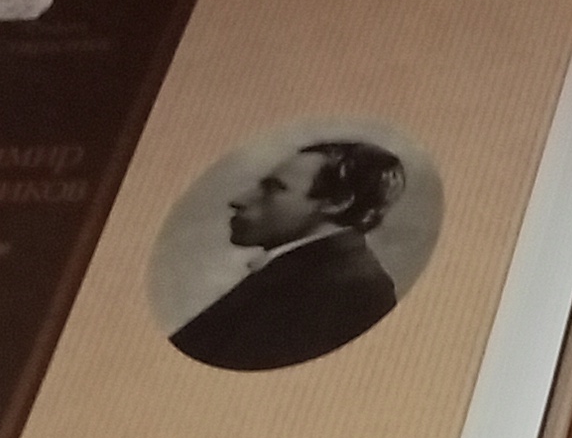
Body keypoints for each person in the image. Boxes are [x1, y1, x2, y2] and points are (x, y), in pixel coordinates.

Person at [168, 138, 407, 372]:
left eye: (272, 189)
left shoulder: (350, 289)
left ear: (337, 202)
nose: (238, 200)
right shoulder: (314, 274)